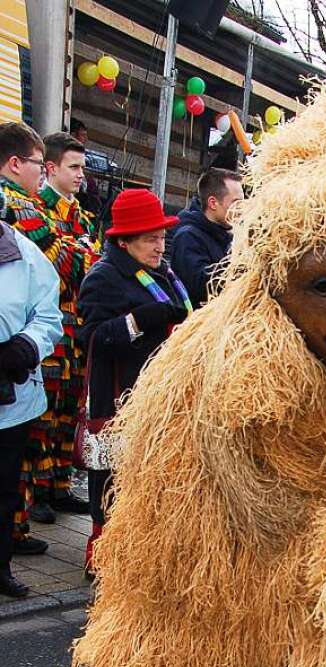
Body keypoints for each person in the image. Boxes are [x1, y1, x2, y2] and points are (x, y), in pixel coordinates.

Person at [77, 188, 191, 573]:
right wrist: (139, 321)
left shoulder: (165, 273)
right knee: (112, 488)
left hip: (158, 399)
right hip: (118, 402)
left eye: (161, 236)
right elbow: (91, 338)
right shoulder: (104, 278)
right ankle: (106, 564)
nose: (160, 246)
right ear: (124, 241)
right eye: (150, 239)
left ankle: (142, 559)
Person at [21, 132, 98, 525]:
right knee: (43, 414)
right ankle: (36, 489)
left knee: (69, 408)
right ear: (50, 168)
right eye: (74, 167)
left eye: (82, 168)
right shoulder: (36, 209)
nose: (81, 175)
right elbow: (63, 267)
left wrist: (80, 257)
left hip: (77, 329)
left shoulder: (81, 216)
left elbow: (92, 268)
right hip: (50, 328)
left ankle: (59, 483)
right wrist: (80, 258)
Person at [0, 218, 63, 597]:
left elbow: (48, 315)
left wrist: (27, 345)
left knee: (5, 488)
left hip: (11, 396)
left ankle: (0, 565)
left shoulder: (23, 253)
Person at [170, 168, 243, 308]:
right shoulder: (188, 236)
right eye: (236, 202)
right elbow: (200, 287)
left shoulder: (227, 234)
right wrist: (243, 261)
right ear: (213, 203)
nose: (241, 209)